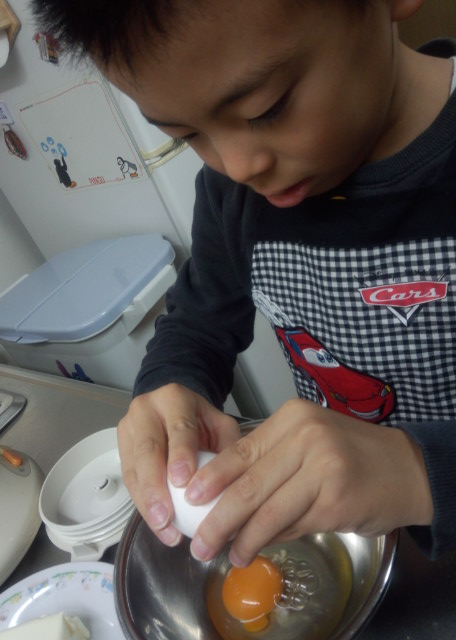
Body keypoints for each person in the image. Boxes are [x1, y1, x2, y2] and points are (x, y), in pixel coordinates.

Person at [32, 0, 456, 565]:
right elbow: (197, 327)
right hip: (353, 542)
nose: (236, 165)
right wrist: (172, 387)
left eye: (265, 109)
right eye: (187, 134)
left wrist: (414, 471)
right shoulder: (233, 197)